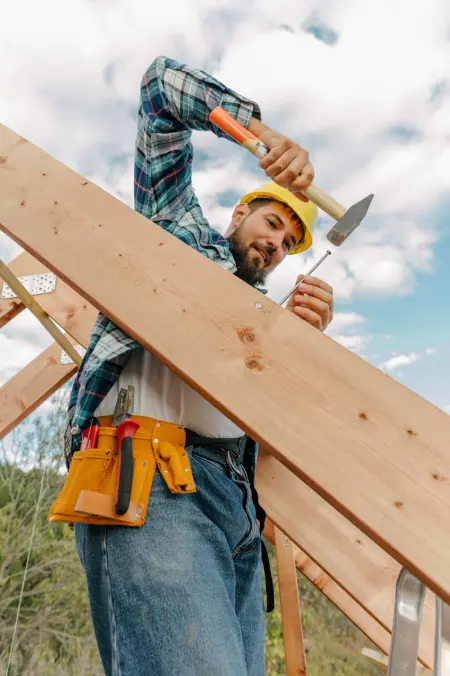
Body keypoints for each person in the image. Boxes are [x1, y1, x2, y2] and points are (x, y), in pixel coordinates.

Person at [65, 55, 334, 676]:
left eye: (290, 242)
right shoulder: (176, 231)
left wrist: (299, 350)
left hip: (237, 510)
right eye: (273, 222)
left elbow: (279, 435)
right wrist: (258, 134)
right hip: (152, 481)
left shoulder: (263, 325)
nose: (277, 242)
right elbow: (161, 88)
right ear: (240, 215)